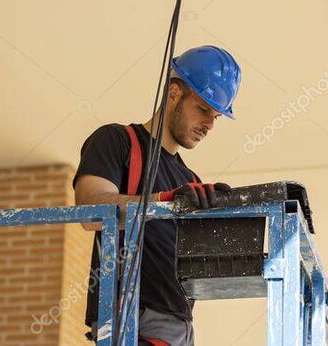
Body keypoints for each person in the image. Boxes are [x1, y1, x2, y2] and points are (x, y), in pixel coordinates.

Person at [73, 45, 242, 345]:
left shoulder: (191, 181)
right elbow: (90, 210)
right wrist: (165, 201)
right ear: (174, 93)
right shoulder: (117, 141)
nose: (209, 125)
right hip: (133, 319)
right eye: (204, 109)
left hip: (182, 328)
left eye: (216, 116)